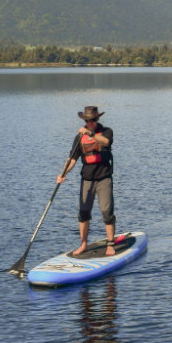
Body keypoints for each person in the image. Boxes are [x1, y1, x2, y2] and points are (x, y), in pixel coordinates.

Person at [57, 106, 116, 256]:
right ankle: (83, 244)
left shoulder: (106, 131)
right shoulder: (79, 138)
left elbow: (106, 142)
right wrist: (63, 173)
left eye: (93, 120)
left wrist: (90, 134)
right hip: (87, 179)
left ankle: (110, 244)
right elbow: (72, 158)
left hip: (104, 178)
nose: (91, 122)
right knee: (83, 213)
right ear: (85, 120)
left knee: (106, 212)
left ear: (97, 119)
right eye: (88, 120)